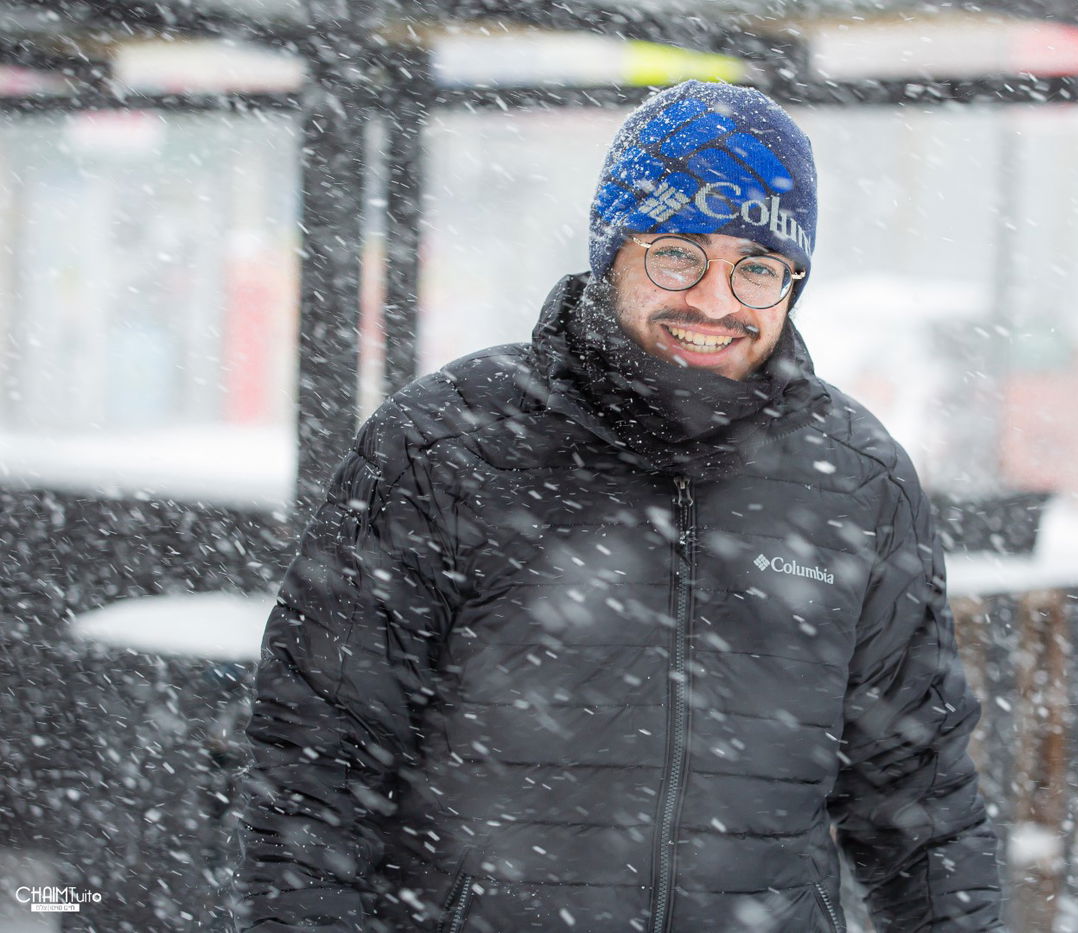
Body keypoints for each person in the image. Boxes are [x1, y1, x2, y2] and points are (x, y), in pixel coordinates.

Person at [237, 80, 1004, 932]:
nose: (715, 302)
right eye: (679, 253)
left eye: (757, 267)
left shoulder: (858, 481)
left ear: (793, 283)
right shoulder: (444, 444)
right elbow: (315, 763)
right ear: (613, 251)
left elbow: (922, 807)